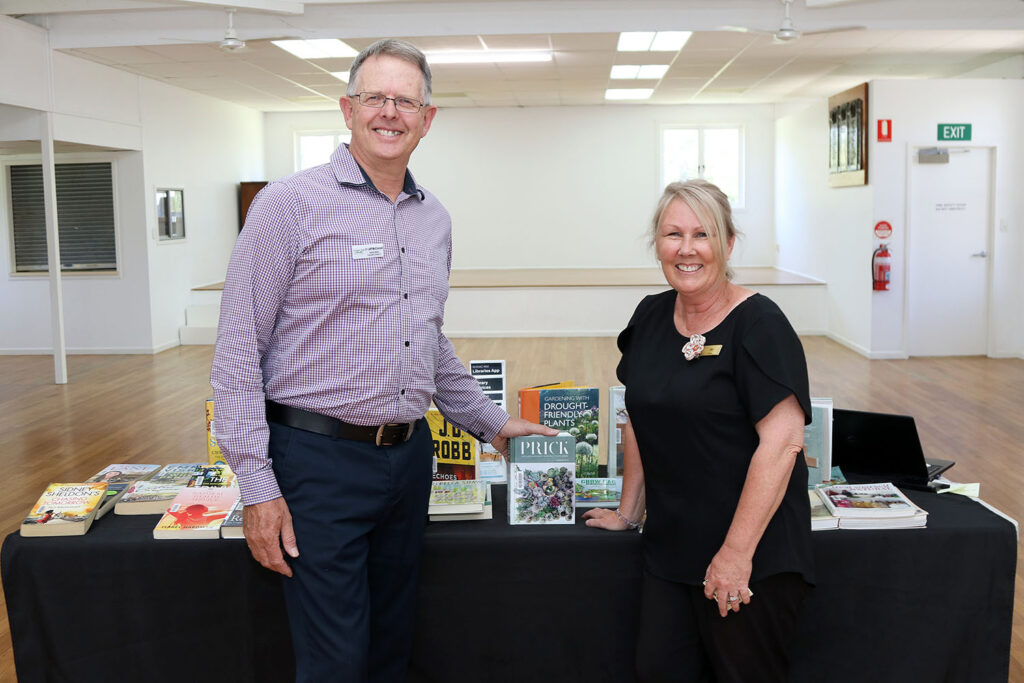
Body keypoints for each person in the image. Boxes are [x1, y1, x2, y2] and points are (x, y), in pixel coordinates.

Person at [210, 39, 554, 683]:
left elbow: (425, 341)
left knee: (392, 646)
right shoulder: (288, 207)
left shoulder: (435, 221)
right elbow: (236, 355)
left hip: (406, 461)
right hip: (317, 464)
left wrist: (494, 423)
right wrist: (257, 487)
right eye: (376, 98)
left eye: (406, 101)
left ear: (428, 117)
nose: (390, 113)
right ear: (348, 108)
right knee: (336, 660)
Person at [584, 179, 814, 682]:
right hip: (671, 548)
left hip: (751, 557)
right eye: (673, 234)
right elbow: (640, 418)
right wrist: (629, 511)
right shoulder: (649, 316)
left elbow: (783, 444)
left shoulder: (760, 325)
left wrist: (734, 555)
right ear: (658, 243)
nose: (687, 250)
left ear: (728, 244)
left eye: (702, 235)